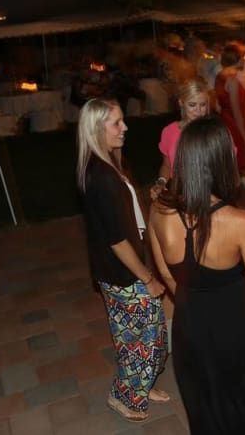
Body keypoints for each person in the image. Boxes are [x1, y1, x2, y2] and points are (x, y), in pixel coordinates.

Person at [148, 116, 245, 434]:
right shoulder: (240, 222)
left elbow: (168, 277)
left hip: (189, 323)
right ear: (221, 161)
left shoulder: (158, 211)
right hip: (235, 325)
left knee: (203, 401)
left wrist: (190, 295)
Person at [76, 98, 168, 423]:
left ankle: (142, 387)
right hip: (122, 273)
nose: (125, 127)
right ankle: (123, 395)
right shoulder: (100, 175)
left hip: (128, 267)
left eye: (122, 121)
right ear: (97, 129)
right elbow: (116, 241)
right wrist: (148, 277)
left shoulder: (111, 161)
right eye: (116, 123)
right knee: (137, 341)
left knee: (153, 333)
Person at [150, 79, 211, 199]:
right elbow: (167, 166)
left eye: (203, 105)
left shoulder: (214, 132)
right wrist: (161, 183)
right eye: (192, 105)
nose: (198, 111)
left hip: (208, 192)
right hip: (179, 193)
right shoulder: (169, 131)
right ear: (181, 103)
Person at [216, 44, 245, 172]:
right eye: (242, 57)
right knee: (237, 164)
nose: (244, 60)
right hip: (233, 125)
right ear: (236, 59)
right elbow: (237, 112)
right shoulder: (232, 81)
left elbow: (217, 105)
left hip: (223, 122)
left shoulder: (219, 76)